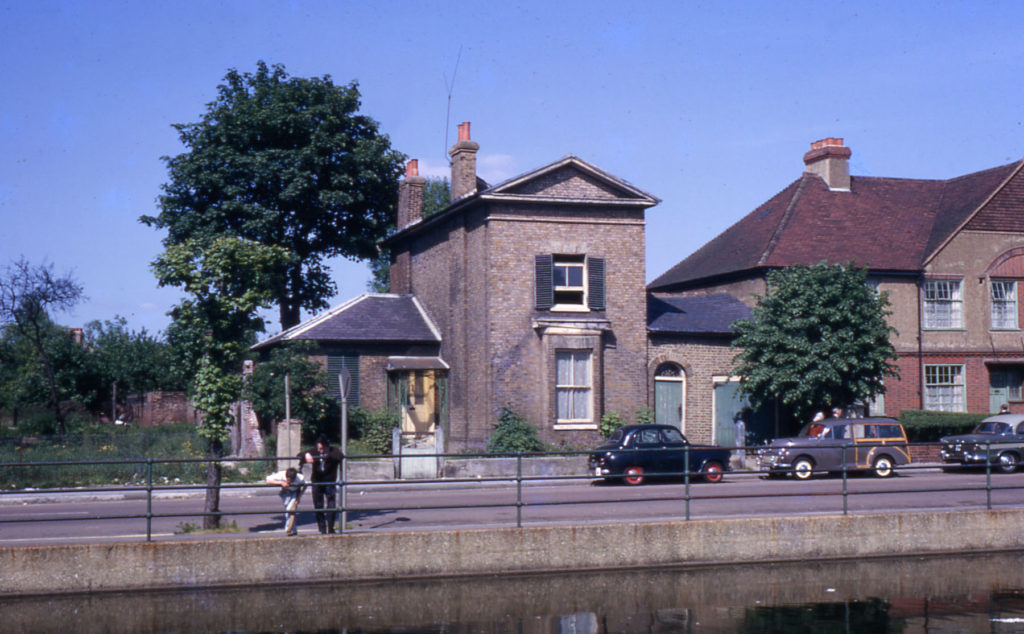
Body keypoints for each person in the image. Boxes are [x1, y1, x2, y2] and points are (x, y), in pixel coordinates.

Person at [304, 434, 343, 534]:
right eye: (318, 449)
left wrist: (327, 456)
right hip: (317, 481)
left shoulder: (334, 450)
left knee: (331, 503)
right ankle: (322, 527)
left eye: (322, 449)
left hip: (329, 481)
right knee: (318, 504)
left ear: (326, 446)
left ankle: (330, 527)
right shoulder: (315, 451)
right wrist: (307, 454)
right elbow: (300, 454)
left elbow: (340, 456)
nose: (320, 451)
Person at [265, 466, 306, 536]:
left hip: (295, 492)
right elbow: (268, 480)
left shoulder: (300, 478)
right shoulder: (281, 474)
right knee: (289, 511)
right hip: (285, 492)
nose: (289, 482)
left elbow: (305, 486)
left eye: (291, 481)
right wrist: (281, 483)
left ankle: (289, 529)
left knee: (290, 510)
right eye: (288, 480)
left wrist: (299, 497)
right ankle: (293, 530)